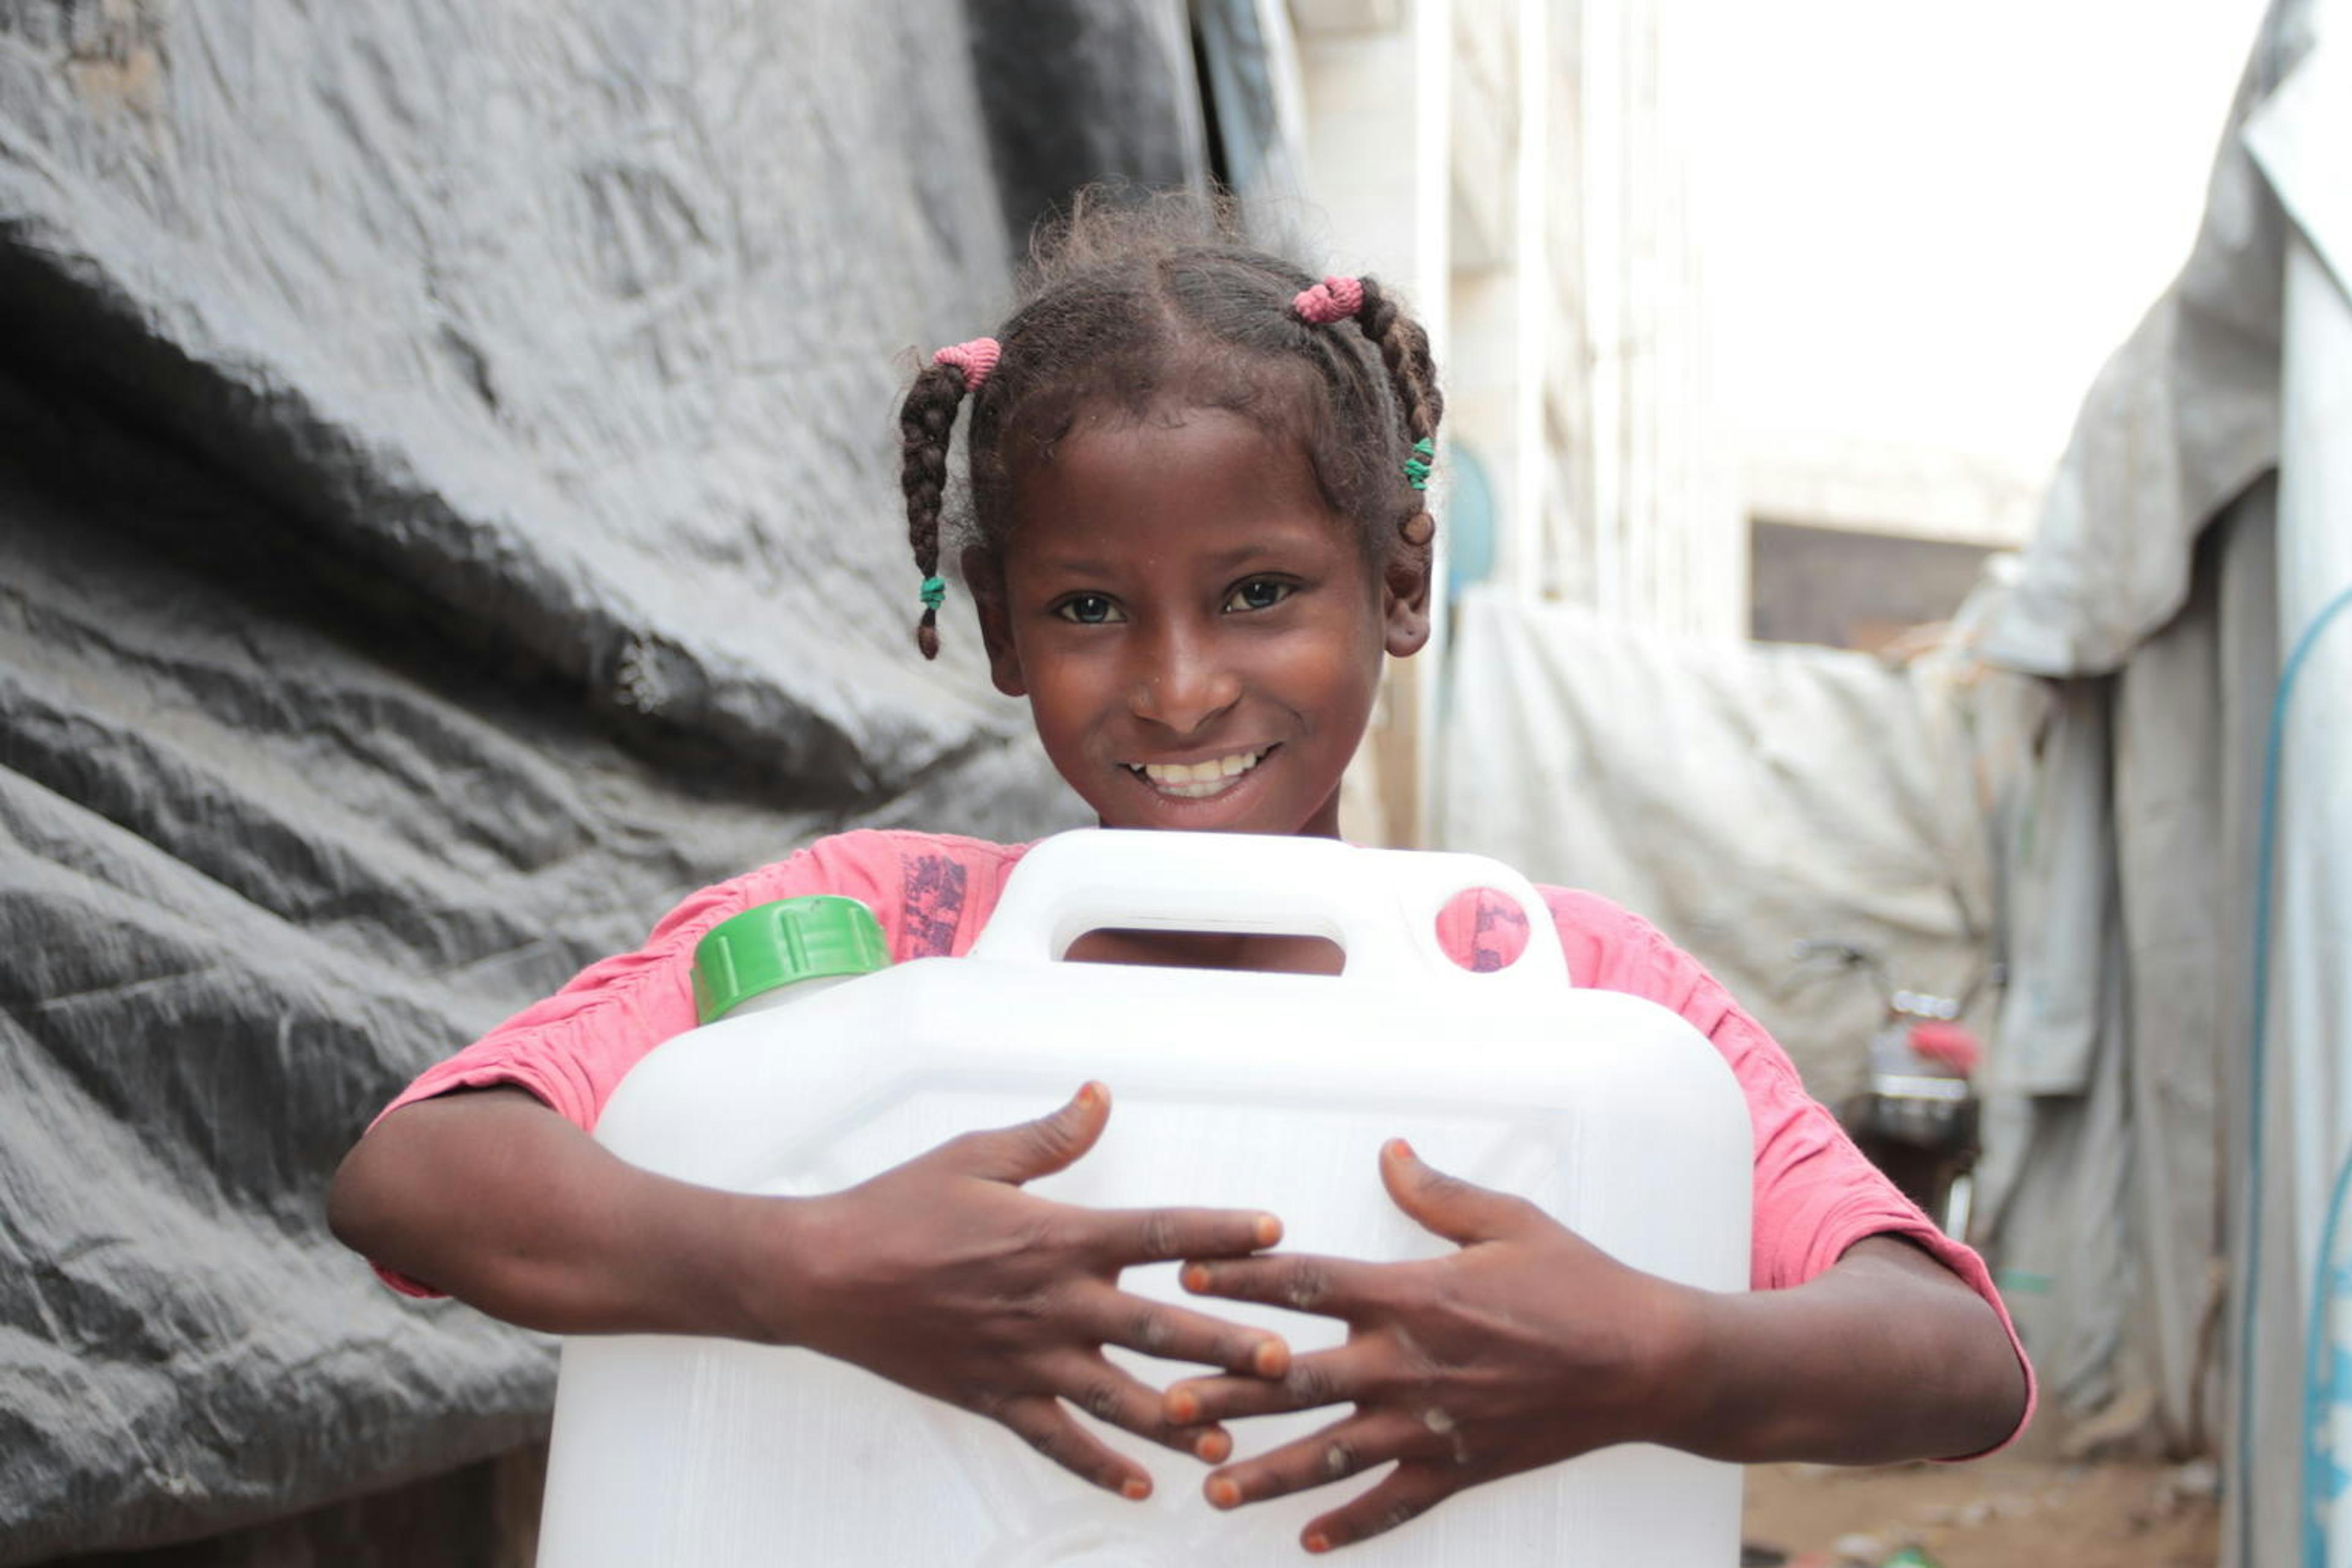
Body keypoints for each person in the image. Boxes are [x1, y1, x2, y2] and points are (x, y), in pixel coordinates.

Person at [330, 197, 2032, 1556]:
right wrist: (812, 1271)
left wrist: (1649, 1354)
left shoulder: (1567, 995)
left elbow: (1955, 1362)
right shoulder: (883, 938)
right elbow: (420, 1178)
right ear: (1001, 633)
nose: (1179, 685)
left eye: (1260, 592)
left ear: (1400, 586)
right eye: (1087, 610)